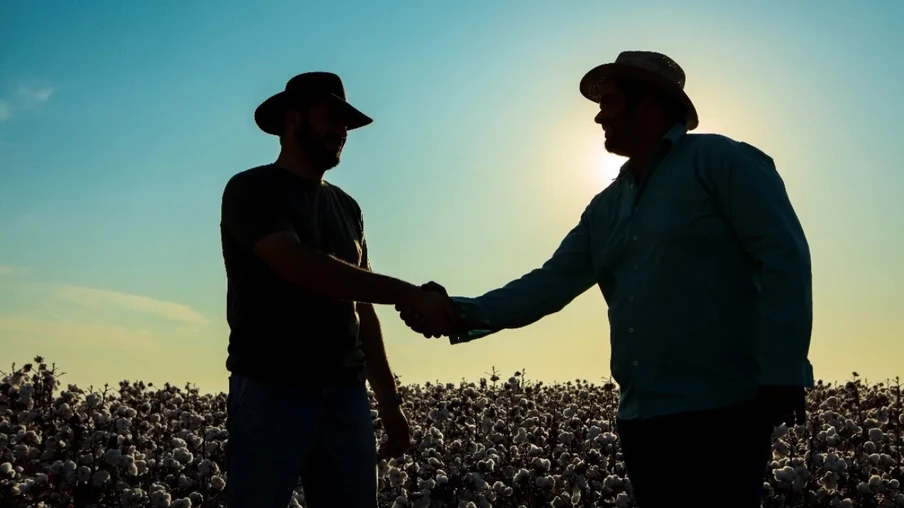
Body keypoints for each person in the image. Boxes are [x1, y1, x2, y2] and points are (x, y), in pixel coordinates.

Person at [399, 51, 814, 508]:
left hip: (723, 410)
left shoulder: (720, 161)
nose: (599, 116)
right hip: (642, 418)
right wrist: (459, 311)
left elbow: (783, 256)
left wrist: (784, 368)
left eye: (611, 102)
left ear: (652, 103)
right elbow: (549, 284)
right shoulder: (605, 207)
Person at [219, 71, 455, 508]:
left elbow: (361, 311)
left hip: (346, 394)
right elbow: (297, 266)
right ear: (293, 120)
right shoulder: (251, 189)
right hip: (272, 387)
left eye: (346, 123)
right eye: (331, 118)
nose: (343, 131)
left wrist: (388, 401)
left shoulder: (347, 206)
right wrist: (408, 293)